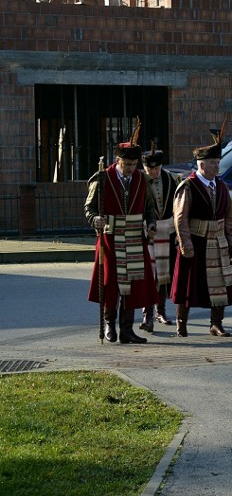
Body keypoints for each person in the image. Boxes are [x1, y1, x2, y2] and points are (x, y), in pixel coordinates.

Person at [84, 134, 158, 344]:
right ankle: (109, 324)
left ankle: (127, 329)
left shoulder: (142, 179)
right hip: (110, 238)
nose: (131, 169)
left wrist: (151, 225)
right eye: (127, 164)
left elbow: (149, 208)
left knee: (134, 285)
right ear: (117, 161)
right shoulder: (102, 178)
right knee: (110, 284)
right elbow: (89, 208)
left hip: (135, 237)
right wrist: (95, 219)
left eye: (134, 165)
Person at [170, 130, 232, 338]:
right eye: (213, 163)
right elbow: (180, 217)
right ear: (201, 164)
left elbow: (228, 215)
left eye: (218, 162)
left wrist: (228, 238)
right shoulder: (188, 186)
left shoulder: (222, 186)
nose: (217, 166)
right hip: (195, 242)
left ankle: (216, 324)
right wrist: (186, 245)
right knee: (188, 286)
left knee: (221, 285)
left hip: (218, 242)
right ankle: (181, 324)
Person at [139, 147, 181, 332]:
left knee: (164, 275)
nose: (154, 173)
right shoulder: (139, 181)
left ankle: (161, 311)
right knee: (149, 274)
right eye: (150, 170)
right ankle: (147, 315)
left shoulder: (172, 179)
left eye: (156, 169)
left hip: (168, 230)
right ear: (144, 167)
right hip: (147, 232)